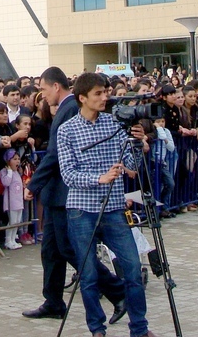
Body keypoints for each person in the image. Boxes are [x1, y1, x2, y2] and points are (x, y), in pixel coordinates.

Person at [57, 72, 156, 337]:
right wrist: (99, 178)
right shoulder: (67, 130)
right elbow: (68, 174)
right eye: (98, 94)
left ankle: (140, 328)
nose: (104, 98)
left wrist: (138, 144)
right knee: (89, 275)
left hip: (113, 208)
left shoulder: (114, 123)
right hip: (81, 210)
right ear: (82, 98)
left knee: (132, 268)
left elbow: (131, 166)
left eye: (105, 92)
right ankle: (97, 330)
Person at [23, 67, 125, 322]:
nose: (43, 95)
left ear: (56, 86)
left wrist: (33, 184)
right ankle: (53, 301)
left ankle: (118, 291)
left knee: (68, 248)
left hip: (66, 193)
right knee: (51, 250)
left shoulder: (70, 109)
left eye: (44, 89)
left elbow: (55, 155)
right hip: (55, 193)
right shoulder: (65, 108)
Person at [0, 149, 25, 249]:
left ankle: (13, 239)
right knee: (12, 221)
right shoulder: (4, 171)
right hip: (11, 202)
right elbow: (6, 183)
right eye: (14, 159)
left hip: (19, 201)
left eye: (18, 159)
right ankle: (8, 240)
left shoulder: (17, 172)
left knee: (17, 221)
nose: (17, 161)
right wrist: (9, 172)